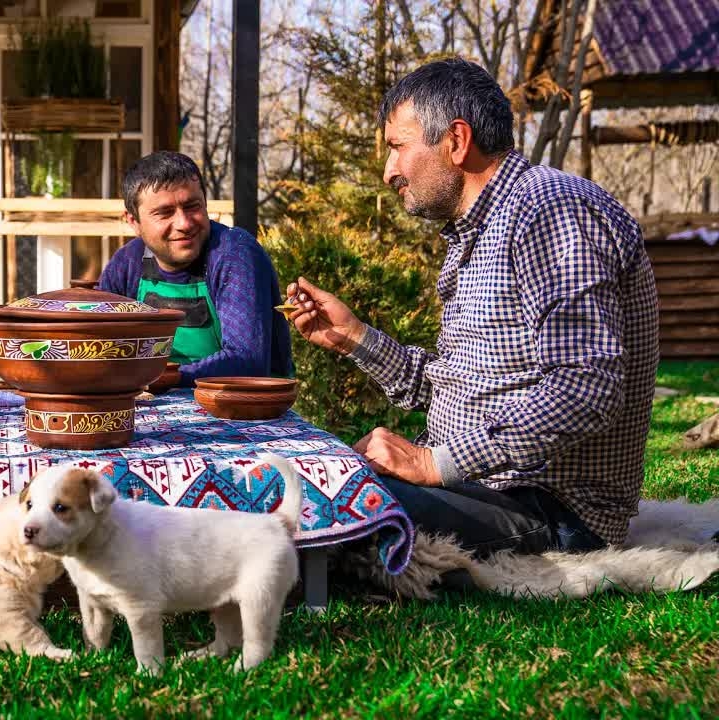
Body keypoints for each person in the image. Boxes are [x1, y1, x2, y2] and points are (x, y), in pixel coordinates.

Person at [286, 58, 658, 557]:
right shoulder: (476, 233)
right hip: (487, 486)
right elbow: (459, 388)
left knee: (317, 502)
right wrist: (355, 337)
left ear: (456, 141)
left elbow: (585, 386)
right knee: (310, 470)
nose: (388, 170)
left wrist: (435, 463)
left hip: (550, 511)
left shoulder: (549, 210)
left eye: (398, 146)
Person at [98, 151, 293, 385]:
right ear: (133, 221)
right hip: (156, 402)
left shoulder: (235, 254)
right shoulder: (126, 264)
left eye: (192, 206)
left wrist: (162, 378)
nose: (184, 224)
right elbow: (99, 347)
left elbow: (247, 360)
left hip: (247, 408)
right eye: (164, 213)